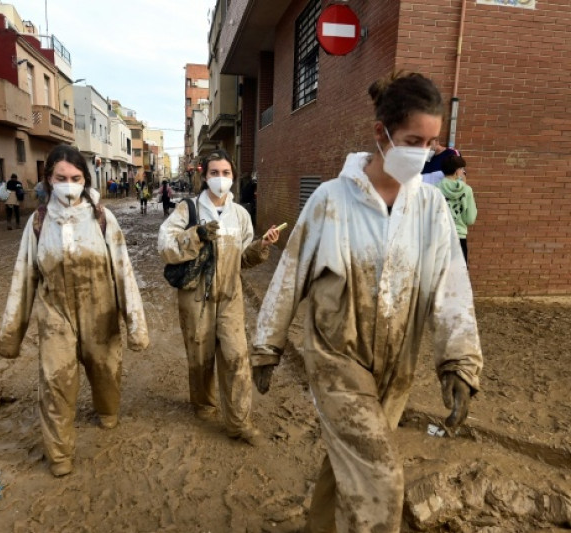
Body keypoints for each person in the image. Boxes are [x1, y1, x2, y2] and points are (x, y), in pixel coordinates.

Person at [251, 72, 483, 532]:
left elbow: (451, 288)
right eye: (413, 140)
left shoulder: (431, 209)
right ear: (382, 134)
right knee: (380, 477)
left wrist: (460, 362)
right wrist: (266, 345)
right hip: (336, 360)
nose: (423, 153)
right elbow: (289, 274)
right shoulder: (330, 201)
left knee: (350, 463)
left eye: (432, 142)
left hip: (398, 364)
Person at [0, 145, 149, 477]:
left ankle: (107, 410)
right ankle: (60, 453)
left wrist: (135, 323)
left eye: (75, 178)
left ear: (85, 179)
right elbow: (24, 278)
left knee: (106, 370)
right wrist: (11, 337)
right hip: (56, 315)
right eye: (61, 178)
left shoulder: (101, 218)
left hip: (101, 312)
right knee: (55, 381)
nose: (69, 183)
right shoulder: (39, 222)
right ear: (49, 181)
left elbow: (123, 271)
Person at [158, 149, 280, 446]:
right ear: (204, 176)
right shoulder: (188, 210)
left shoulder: (240, 215)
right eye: (215, 173)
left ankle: (239, 423)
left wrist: (261, 246)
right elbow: (165, 246)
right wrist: (196, 234)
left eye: (226, 173)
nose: (220, 179)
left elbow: (243, 260)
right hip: (196, 298)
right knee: (200, 357)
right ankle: (204, 404)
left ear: (233, 178)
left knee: (236, 357)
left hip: (230, 298)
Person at [437, 152, 477, 264]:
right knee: (458, 277)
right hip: (458, 237)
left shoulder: (434, 189)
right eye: (461, 168)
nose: (463, 171)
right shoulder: (467, 190)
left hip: (438, 237)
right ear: (456, 171)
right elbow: (470, 219)